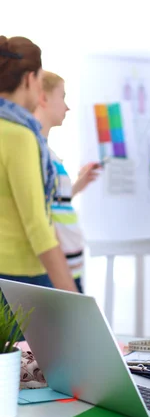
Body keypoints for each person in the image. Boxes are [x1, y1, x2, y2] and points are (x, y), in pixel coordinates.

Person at [0, 36, 77, 294]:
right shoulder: (19, 136)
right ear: (29, 80)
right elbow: (38, 227)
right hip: (20, 279)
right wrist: (74, 298)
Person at [34, 71, 100, 293]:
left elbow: (53, 202)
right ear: (43, 98)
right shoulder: (37, 151)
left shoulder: (49, 153)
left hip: (70, 269)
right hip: (57, 274)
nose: (67, 107)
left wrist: (77, 186)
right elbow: (40, 216)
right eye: (62, 97)